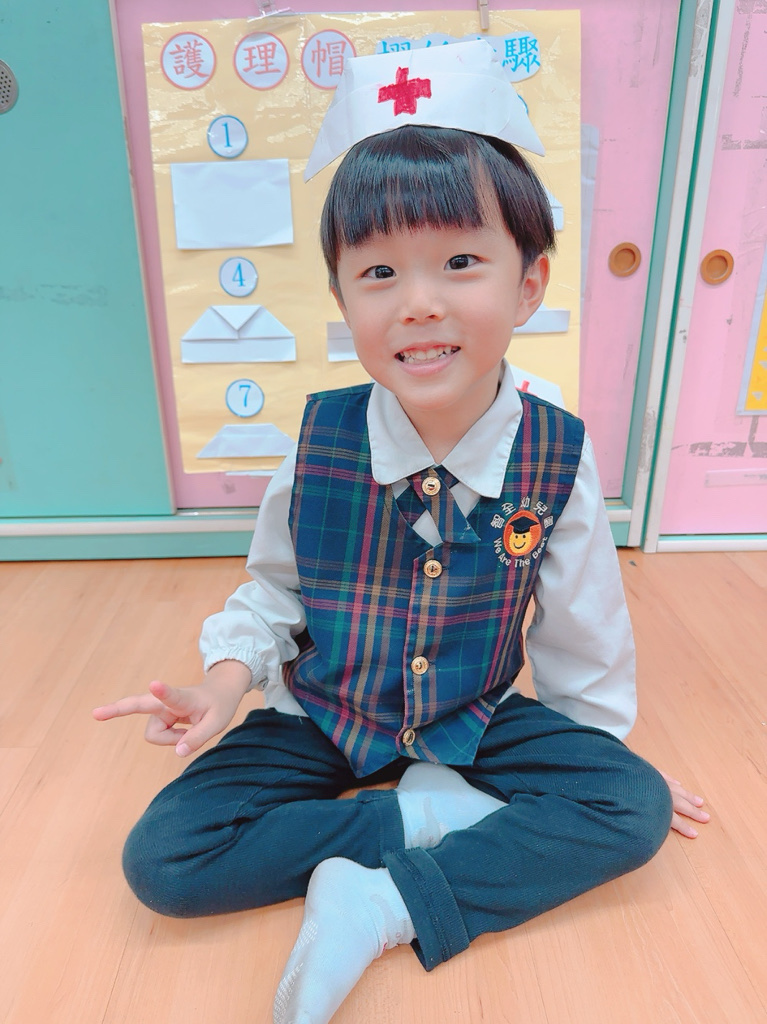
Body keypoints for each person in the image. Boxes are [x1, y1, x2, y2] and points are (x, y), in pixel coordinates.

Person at [93, 41, 708, 1024]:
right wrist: (223, 684)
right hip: (323, 713)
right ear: (344, 300)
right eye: (378, 271)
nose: (418, 302)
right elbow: (273, 589)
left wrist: (595, 764)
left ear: (529, 283)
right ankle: (424, 813)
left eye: (460, 262)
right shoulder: (320, 439)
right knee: (165, 858)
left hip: (472, 714)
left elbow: (582, 632)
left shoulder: (554, 453)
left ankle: (383, 902)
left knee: (630, 807)